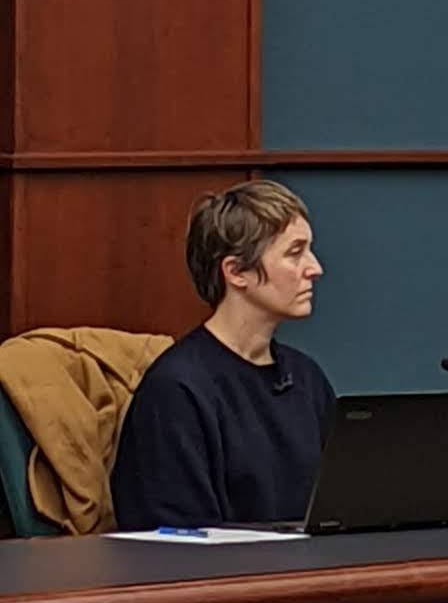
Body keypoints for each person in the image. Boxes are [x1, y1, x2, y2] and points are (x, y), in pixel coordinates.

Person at [111, 180, 335, 530]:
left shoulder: (306, 378)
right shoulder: (176, 390)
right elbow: (175, 537)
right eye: (295, 253)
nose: (315, 268)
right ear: (237, 272)